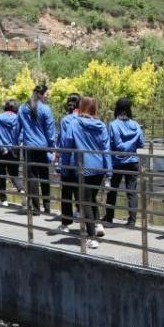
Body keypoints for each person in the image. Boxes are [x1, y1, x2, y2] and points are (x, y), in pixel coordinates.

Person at [64, 96, 111, 248]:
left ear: (81, 107)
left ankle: (92, 237)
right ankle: (97, 225)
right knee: (91, 199)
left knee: (85, 202)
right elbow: (106, 149)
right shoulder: (101, 125)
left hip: (83, 167)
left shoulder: (74, 123)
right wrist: (109, 172)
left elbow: (67, 145)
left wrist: (63, 166)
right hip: (99, 168)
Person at [104, 97, 145, 226]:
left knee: (112, 190)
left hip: (117, 162)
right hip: (133, 161)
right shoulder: (136, 125)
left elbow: (110, 144)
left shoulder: (113, 125)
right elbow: (141, 144)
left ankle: (109, 217)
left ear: (117, 108)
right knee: (131, 191)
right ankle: (132, 220)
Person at [18, 84, 58, 214]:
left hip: (29, 147)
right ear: (40, 94)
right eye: (46, 94)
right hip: (43, 147)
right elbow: (50, 131)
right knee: (45, 176)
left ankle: (35, 209)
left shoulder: (23, 108)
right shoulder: (46, 109)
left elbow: (18, 127)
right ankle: (47, 207)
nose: (48, 96)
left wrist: (15, 142)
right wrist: (52, 147)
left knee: (32, 178)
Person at [56, 93, 88, 232]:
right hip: (84, 161)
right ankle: (83, 214)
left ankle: (66, 223)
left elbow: (64, 142)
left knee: (67, 192)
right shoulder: (86, 118)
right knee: (83, 191)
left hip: (69, 160)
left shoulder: (66, 120)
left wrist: (60, 164)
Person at [0, 99, 24, 207]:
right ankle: (22, 190)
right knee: (14, 173)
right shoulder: (18, 119)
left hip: (0, 151)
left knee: (1, 175)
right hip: (14, 150)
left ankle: (3, 200)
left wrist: (2, 147)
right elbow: (22, 132)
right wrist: (17, 143)